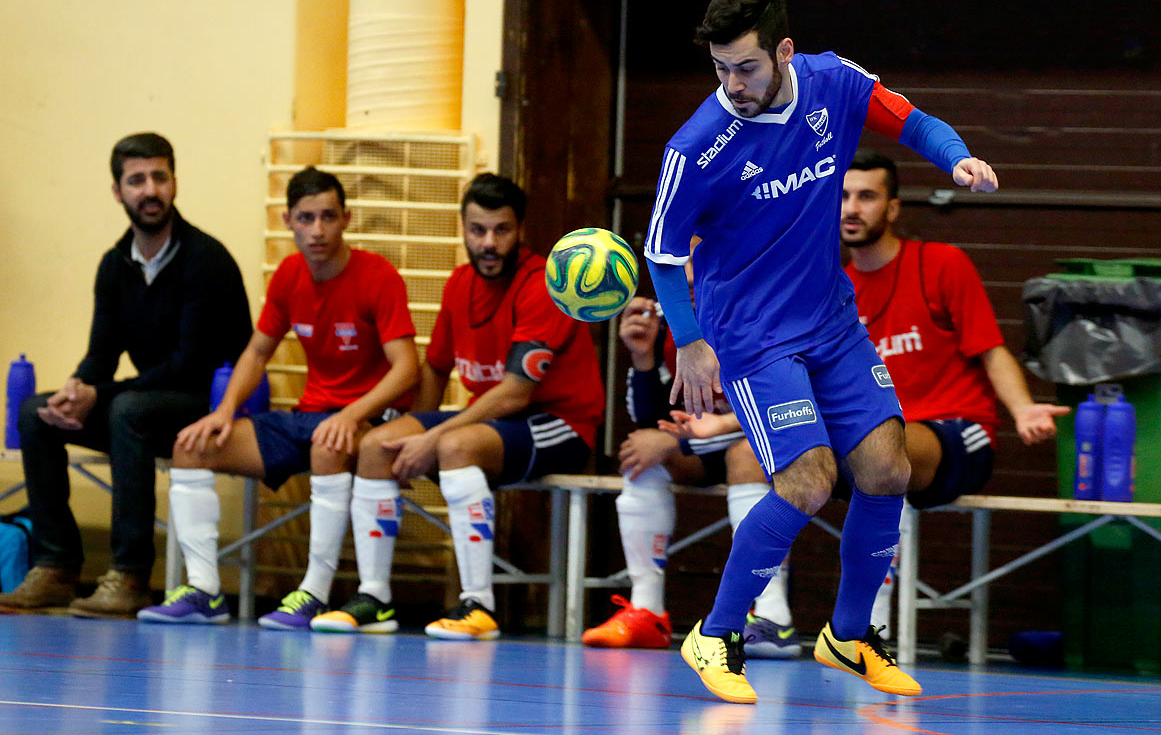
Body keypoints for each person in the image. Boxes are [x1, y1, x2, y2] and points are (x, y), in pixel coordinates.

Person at [646, 0, 998, 704]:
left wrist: (956, 156)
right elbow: (663, 254)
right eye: (719, 69)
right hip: (752, 336)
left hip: (831, 322)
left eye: (745, 66)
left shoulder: (833, 82)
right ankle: (715, 634)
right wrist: (690, 341)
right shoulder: (698, 146)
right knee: (808, 480)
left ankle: (848, 636)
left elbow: (911, 120)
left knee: (886, 471)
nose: (732, 84)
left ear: (784, 51)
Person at [307, 173, 602, 641]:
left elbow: (515, 393)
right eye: (477, 230)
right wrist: (412, 434)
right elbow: (435, 370)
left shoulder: (543, 283)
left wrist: (432, 438)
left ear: (520, 230)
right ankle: (375, 597)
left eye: (500, 230)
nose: (488, 243)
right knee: (376, 446)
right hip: (494, 424)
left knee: (457, 445)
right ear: (463, 229)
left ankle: (478, 605)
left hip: (559, 424)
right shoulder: (460, 282)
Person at [137, 166, 418, 628]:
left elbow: (407, 367)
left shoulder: (377, 275)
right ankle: (206, 591)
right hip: (308, 416)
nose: (318, 230)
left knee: (329, 444)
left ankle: (314, 593)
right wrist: (224, 411)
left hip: (365, 417)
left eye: (328, 216)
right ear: (288, 220)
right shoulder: (289, 275)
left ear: (347, 218)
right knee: (190, 445)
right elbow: (257, 351)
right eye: (306, 218)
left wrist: (351, 415)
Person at [0, 133, 250, 618]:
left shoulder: (206, 260)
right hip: (142, 401)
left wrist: (102, 393)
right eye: (136, 180)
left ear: (175, 183)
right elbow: (102, 355)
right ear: (118, 191)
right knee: (37, 413)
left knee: (126, 409)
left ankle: (130, 575)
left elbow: (189, 363)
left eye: (159, 176)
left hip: (206, 403)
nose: (149, 190)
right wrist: (76, 388)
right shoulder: (115, 264)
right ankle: (55, 565)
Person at [840, 149, 1067, 632]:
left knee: (884, 453)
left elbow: (991, 350)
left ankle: (865, 632)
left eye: (866, 196)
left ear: (894, 207)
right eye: (841, 197)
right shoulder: (832, 287)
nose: (851, 209)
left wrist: (1023, 409)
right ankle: (768, 617)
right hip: (873, 441)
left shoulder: (940, 264)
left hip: (958, 435)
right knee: (758, 456)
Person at [580, 294, 800, 658]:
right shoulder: (674, 312)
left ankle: (774, 618)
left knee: (744, 455)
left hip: (780, 438)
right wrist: (642, 354)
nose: (682, 258)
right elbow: (655, 419)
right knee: (641, 454)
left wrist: (681, 438)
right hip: (709, 441)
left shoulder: (761, 298)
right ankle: (647, 611)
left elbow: (786, 402)